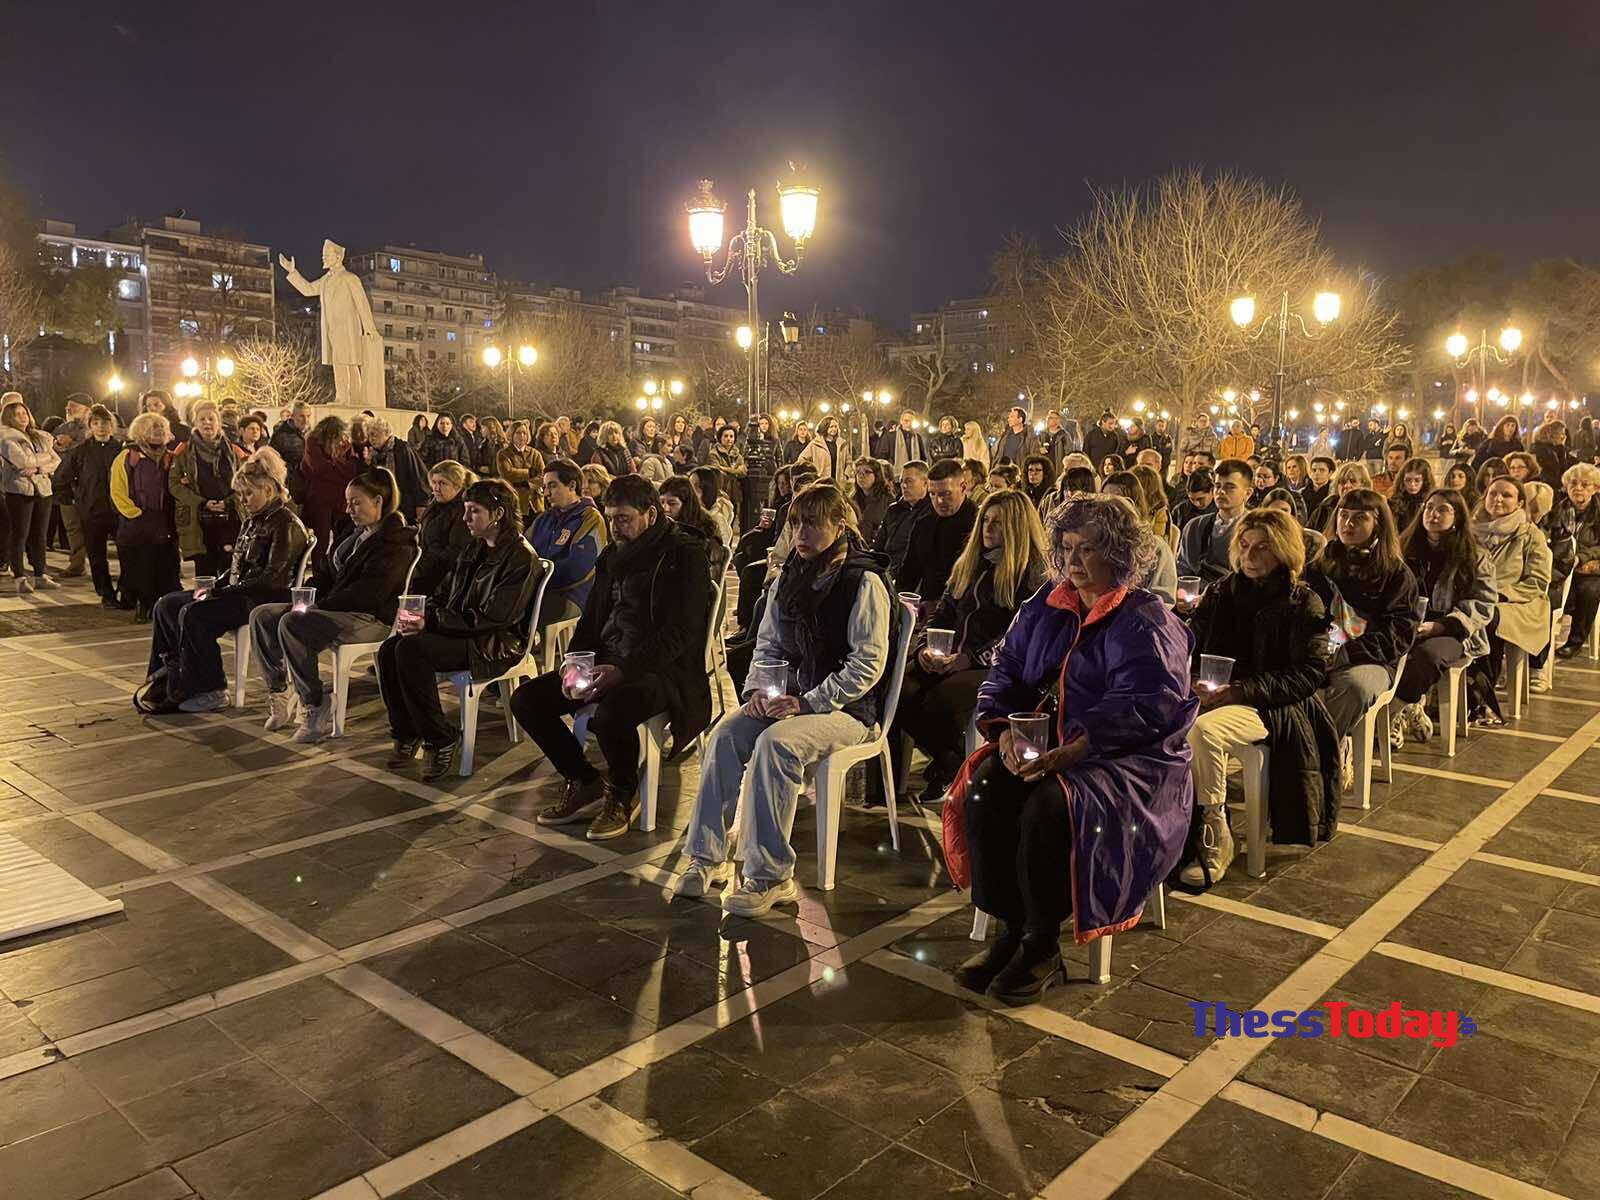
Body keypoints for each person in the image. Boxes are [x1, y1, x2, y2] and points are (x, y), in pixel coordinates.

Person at [948, 494, 1197, 1004]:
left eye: (1087, 550)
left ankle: (1042, 945)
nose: (1073, 562)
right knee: (987, 786)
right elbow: (1005, 676)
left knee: (1051, 805)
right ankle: (1009, 930)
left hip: (1127, 761)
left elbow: (1151, 705)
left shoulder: (1145, 620)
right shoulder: (1044, 606)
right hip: (1048, 748)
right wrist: (1005, 733)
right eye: (1066, 549)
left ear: (1119, 555)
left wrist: (1080, 745)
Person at [673, 481, 891, 911]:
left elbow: (867, 664)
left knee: (777, 744)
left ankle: (769, 874)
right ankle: (706, 856)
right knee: (726, 734)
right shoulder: (789, 575)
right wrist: (758, 688)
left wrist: (809, 702)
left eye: (811, 524)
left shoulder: (862, 580)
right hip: (790, 699)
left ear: (840, 524)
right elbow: (768, 643)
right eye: (795, 524)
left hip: (847, 710)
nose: (801, 535)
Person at [517, 475, 713, 839]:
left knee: (612, 712)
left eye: (623, 518)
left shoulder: (684, 555)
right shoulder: (612, 555)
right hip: (609, 657)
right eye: (610, 517)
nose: (615, 526)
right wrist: (575, 662)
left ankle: (622, 793)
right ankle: (583, 779)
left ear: (650, 514)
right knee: (527, 699)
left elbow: (680, 633)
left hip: (663, 671)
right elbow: (593, 617)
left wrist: (622, 670)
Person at [1183, 508, 1336, 886]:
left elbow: (1309, 674)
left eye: (1263, 548)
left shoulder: (1304, 602)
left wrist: (1241, 690)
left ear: (1283, 551)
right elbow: (1191, 642)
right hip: (1216, 694)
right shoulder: (1221, 591)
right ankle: (1168, 830)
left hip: (1269, 704)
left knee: (1202, 731)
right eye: (1245, 545)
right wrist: (1191, 678)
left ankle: (1215, 830)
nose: (1250, 557)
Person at [881, 489, 1050, 806]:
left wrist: (969, 659)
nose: (988, 527)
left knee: (939, 702)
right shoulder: (968, 565)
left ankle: (952, 767)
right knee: (895, 690)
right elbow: (941, 614)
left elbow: (1016, 637)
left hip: (992, 666)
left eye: (998, 523)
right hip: (949, 656)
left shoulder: (1030, 575)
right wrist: (925, 649)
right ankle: (951, 761)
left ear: (1016, 528)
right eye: (986, 520)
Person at [376, 479, 536, 778]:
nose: (465, 519)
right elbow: (445, 592)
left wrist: (432, 622)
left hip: (492, 641)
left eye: (473, 511)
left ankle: (440, 738)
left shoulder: (520, 557)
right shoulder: (474, 548)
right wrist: (421, 615)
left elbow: (495, 617)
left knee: (412, 650)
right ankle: (406, 732)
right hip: (462, 630)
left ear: (498, 514)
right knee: (389, 648)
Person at [252, 468, 419, 741]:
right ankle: (280, 689)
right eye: (347, 501)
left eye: (356, 502)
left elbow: (368, 594)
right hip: (335, 607)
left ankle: (315, 703)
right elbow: (327, 574)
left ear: (378, 502)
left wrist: (318, 605)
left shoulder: (396, 542)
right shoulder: (352, 534)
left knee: (293, 622)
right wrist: (306, 594)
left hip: (370, 618)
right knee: (264, 615)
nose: (349, 508)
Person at [141, 452, 308, 713]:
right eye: (241, 495)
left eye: (248, 494)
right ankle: (166, 678)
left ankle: (212, 688)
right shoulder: (253, 520)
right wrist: (214, 586)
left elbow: (271, 579)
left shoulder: (285, 523)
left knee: (194, 613)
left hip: (262, 599)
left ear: (268, 489)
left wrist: (223, 590)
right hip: (239, 591)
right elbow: (237, 567)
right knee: (167, 604)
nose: (243, 500)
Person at [1308, 488, 1419, 782]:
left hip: (1371, 658)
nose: (1348, 524)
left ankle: (1317, 759)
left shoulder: (1396, 574)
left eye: (1359, 518)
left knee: (1353, 686)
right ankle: (1310, 749)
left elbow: (1399, 633)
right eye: (1343, 516)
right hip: (1322, 651)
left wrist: (1346, 653)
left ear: (1378, 524)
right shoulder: (1321, 566)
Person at [1389, 489, 1496, 747]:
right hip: (1409, 622)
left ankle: (1392, 711)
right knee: (1387, 649)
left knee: (1427, 655)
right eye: (1428, 508)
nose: (1433, 515)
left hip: (1454, 630)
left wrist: (1442, 625)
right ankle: (1411, 705)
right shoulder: (1404, 547)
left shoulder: (1474, 554)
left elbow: (1483, 602)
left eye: (1442, 510)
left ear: (1457, 516)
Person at [1468, 475, 1552, 725]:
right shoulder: (1469, 531)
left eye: (1506, 495)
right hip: (1475, 596)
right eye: (1493, 493)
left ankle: (1481, 695)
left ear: (1519, 502)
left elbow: (1537, 580)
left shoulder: (1530, 535)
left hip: (1517, 603)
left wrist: (1501, 593)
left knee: (1489, 618)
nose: (1498, 499)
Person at [112, 413, 183, 620]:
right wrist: (135, 514)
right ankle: (143, 606)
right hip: (138, 523)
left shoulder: (172, 457)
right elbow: (118, 491)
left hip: (165, 522)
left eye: (162, 427)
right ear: (141, 431)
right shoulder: (127, 457)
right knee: (141, 567)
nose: (159, 431)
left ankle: (165, 609)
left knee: (167, 567)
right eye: (153, 427)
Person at [527, 458, 608, 631]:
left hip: (573, 595)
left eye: (552, 486)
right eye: (545, 487)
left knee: (525, 616)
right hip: (537, 591)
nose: (546, 493)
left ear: (572, 486)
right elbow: (522, 553)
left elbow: (578, 569)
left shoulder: (590, 518)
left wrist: (535, 578)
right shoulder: (543, 519)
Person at [168, 399, 245, 578]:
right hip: (198, 521)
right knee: (204, 573)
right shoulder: (184, 452)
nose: (207, 423)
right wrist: (202, 502)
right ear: (195, 422)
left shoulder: (233, 451)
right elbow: (174, 484)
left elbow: (245, 482)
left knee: (230, 571)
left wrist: (229, 502)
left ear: (219, 422)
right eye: (202, 419)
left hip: (230, 519)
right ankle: (203, 604)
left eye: (211, 419)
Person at [59, 405, 125, 606]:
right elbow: (62, 477)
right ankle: (106, 593)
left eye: (104, 423)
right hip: (92, 509)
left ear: (111, 425)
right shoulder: (81, 451)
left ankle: (127, 589)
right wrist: (72, 499)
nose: (101, 427)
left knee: (127, 552)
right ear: (90, 425)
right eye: (96, 423)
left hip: (119, 509)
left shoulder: (121, 449)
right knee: (97, 555)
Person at [0, 395, 63, 593]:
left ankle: (40, 573)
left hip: (43, 489)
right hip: (19, 491)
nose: (22, 417)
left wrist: (37, 468)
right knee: (20, 534)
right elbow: (22, 462)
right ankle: (19, 576)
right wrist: (41, 461)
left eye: (24, 413)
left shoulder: (39, 435)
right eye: (17, 414)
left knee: (40, 535)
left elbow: (56, 461)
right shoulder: (6, 437)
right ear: (9, 417)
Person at [899, 458, 977, 610]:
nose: (939, 501)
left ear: (962, 487)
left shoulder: (979, 524)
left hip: (964, 611)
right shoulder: (923, 524)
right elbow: (909, 573)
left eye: (946, 494)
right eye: (932, 494)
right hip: (926, 609)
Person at [1101, 470, 1177, 601]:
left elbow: (1163, 599)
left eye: (1118, 499)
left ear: (1133, 504)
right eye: (1103, 498)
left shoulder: (1156, 547)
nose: (1109, 507)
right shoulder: (1093, 543)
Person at [300, 416, 360, 575]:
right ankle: (319, 573)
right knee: (322, 539)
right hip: (320, 499)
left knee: (342, 536)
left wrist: (333, 463)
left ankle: (335, 570)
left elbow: (351, 471)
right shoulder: (313, 442)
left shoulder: (346, 445)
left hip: (339, 498)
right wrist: (338, 462)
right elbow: (318, 468)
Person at [1177, 459, 1252, 586]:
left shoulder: (1255, 528)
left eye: (1230, 487)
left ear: (1248, 493)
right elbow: (1183, 571)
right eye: (1217, 486)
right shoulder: (1194, 527)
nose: (1221, 492)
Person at [1555, 463, 1600, 659]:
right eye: (1573, 483)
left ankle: (1575, 641)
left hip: (1591, 568)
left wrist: (1582, 557)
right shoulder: (1557, 509)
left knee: (1589, 590)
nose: (1578, 488)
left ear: (1596, 488)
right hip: (1562, 565)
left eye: (1585, 484)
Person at [412, 460, 476, 596]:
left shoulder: (463, 511)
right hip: (424, 568)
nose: (436, 488)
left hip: (442, 581)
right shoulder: (436, 503)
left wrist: (418, 570)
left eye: (442, 483)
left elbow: (453, 552)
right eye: (434, 483)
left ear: (458, 485)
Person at [660, 474, 729, 577]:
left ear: (686, 504)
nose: (665, 508)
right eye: (661, 502)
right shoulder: (663, 525)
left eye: (672, 503)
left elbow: (709, 566)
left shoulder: (704, 527)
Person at [873, 459, 929, 582]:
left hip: (910, 578)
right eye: (902, 481)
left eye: (909, 481)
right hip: (884, 573)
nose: (903, 486)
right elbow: (878, 546)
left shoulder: (931, 513)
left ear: (925, 483)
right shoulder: (893, 510)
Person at [365, 415, 430, 520]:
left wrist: (421, 504)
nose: (371, 439)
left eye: (374, 435)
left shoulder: (402, 449)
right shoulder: (375, 454)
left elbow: (417, 476)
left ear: (386, 433)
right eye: (369, 436)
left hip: (405, 506)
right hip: (386, 506)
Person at [496, 420, 545, 516]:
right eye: (518, 433)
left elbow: (543, 475)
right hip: (514, 501)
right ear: (511, 435)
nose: (522, 436)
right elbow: (507, 473)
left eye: (524, 433)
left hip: (535, 502)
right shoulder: (503, 454)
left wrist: (529, 484)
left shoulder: (535, 454)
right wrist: (530, 473)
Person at [1310, 462, 1372, 534]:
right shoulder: (1326, 506)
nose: (1347, 485)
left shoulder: (1370, 510)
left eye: (1353, 481)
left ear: (1363, 485)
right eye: (1342, 482)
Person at [269, 401, 311, 502]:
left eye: (308, 416)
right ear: (292, 416)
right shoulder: (281, 435)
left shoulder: (308, 432)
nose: (305, 420)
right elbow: (272, 461)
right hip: (290, 487)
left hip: (306, 485)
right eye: (301, 416)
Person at [849, 457, 894, 548]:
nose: (861, 476)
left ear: (877, 475)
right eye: (858, 472)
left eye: (867, 472)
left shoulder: (887, 500)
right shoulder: (852, 500)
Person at [742, 414, 779, 521]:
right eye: (761, 423)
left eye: (766, 423)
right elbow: (745, 454)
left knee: (769, 497)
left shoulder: (775, 440)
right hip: (756, 470)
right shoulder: (750, 439)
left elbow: (779, 456)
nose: (763, 426)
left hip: (770, 470)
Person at [1388, 457, 1435, 534]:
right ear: (1402, 480)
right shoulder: (1394, 502)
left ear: (1425, 481)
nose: (1412, 485)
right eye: (1408, 480)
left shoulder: (1431, 502)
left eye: (1417, 480)